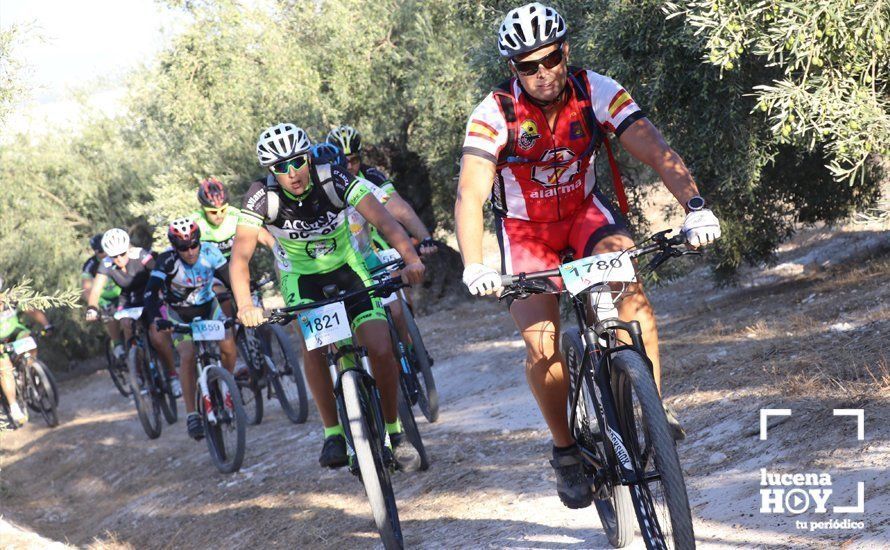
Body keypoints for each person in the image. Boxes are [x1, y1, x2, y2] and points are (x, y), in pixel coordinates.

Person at [454, 3, 721, 509]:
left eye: (550, 59)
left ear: (566, 52)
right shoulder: (494, 114)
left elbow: (653, 145)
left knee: (630, 290)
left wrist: (696, 207)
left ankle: (653, 413)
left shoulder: (595, 88)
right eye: (529, 66)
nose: (543, 73)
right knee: (543, 346)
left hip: (585, 214)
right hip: (525, 230)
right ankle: (566, 451)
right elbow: (470, 193)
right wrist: (474, 263)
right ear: (514, 69)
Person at [231, 123, 425, 470]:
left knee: (381, 347)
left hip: (348, 268)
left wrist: (410, 258)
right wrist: (246, 305)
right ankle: (333, 432)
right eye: (280, 167)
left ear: (308, 157)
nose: (292, 173)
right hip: (301, 278)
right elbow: (240, 258)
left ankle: (395, 432)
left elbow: (385, 222)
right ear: (270, 171)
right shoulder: (261, 196)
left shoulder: (332, 178)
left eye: (297, 162)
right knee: (314, 349)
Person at [144, 218, 238, 440]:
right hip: (178, 313)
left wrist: (242, 305)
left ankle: (227, 386)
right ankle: (191, 414)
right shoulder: (167, 261)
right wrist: (158, 318)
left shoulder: (211, 253)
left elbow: (230, 279)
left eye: (194, 245)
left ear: (199, 241)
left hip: (207, 307)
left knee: (228, 343)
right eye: (183, 248)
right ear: (175, 248)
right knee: (187, 355)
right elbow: (150, 292)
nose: (190, 251)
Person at [84, 228, 181, 397]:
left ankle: (173, 375)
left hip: (149, 295)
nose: (119, 259)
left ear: (127, 248)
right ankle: (138, 373)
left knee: (158, 338)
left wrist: (167, 292)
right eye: (115, 256)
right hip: (128, 299)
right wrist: (92, 308)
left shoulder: (140, 255)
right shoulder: (106, 264)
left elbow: (158, 272)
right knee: (126, 325)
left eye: (122, 254)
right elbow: (96, 289)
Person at [326, 125, 437, 255]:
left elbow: (399, 209)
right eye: (344, 161)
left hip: (370, 244)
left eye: (354, 159)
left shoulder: (370, 176)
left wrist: (425, 239)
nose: (349, 166)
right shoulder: (323, 180)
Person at [0, 277, 53, 426]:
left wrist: (46, 325)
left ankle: (32, 370)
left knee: (29, 338)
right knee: (5, 369)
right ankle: (14, 407)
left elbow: (32, 310)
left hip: (14, 332)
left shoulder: (11, 298)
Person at [82, 233, 124, 359]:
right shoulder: (90, 264)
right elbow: (86, 288)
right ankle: (118, 345)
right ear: (95, 252)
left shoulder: (117, 256)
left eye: (106, 249)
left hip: (121, 292)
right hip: (104, 297)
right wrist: (94, 306)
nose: (104, 253)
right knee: (109, 315)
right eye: (100, 251)